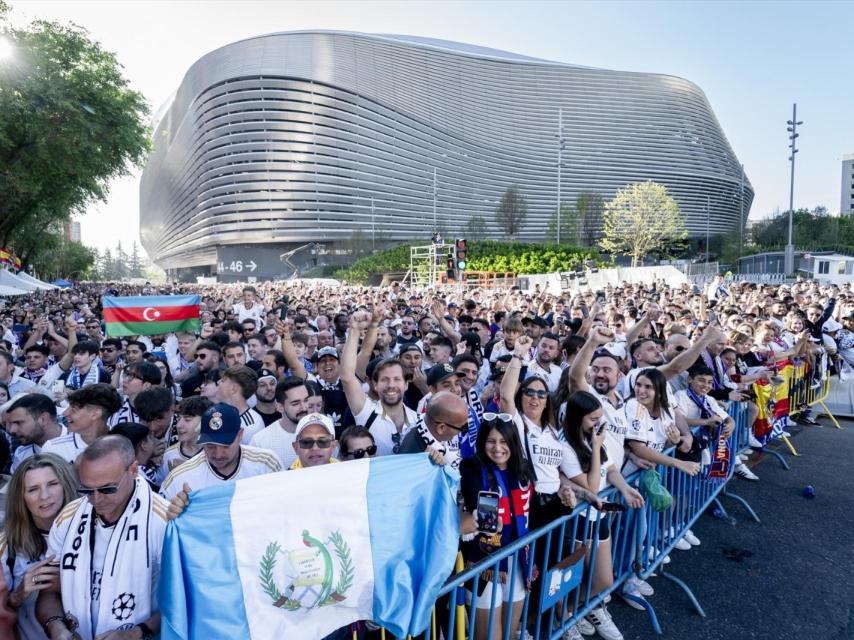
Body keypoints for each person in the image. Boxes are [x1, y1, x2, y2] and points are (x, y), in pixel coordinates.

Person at [37, 436, 169, 640]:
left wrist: (137, 633)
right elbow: (48, 591)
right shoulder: (69, 517)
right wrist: (56, 627)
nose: (96, 499)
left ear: (133, 470)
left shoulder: (164, 521)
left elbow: (184, 599)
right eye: (87, 490)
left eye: (107, 489)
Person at [562, 391, 645, 638]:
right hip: (578, 520)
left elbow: (611, 471)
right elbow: (591, 486)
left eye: (599, 417)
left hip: (600, 516)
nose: (598, 423)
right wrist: (597, 447)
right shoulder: (565, 444)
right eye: (592, 419)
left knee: (604, 580)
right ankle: (565, 618)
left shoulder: (594, 437)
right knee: (572, 578)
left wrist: (625, 488)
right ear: (578, 418)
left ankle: (578, 609)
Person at [458, 414, 534, 640]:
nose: (498, 448)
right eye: (491, 441)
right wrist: (484, 518)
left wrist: (563, 502)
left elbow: (534, 513)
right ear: (482, 442)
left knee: (509, 634)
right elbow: (474, 499)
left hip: (519, 558)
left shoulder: (523, 468)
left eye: (503, 441)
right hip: (485, 560)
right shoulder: (472, 467)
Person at [1, 454, 78, 640]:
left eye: (52, 484)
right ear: (21, 497)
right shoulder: (7, 546)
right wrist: (17, 596)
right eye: (33, 489)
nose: (45, 496)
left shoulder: (93, 532)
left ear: (66, 485)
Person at [160, 403, 281, 500]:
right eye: (210, 446)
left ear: (240, 435)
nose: (218, 454)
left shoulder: (266, 464)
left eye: (226, 445)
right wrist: (173, 513)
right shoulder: (179, 478)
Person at [341, 312, 416, 455]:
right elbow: (347, 377)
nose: (391, 385)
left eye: (397, 379)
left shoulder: (418, 420)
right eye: (384, 379)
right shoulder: (366, 411)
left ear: (406, 384)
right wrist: (355, 331)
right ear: (375, 385)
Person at [42, 384, 122, 465]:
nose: (65, 413)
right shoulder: (54, 449)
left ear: (95, 414)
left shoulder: (123, 445)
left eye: (73, 409)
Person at [397, 391, 469, 471]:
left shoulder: (423, 428)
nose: (464, 431)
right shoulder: (419, 459)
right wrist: (444, 467)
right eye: (463, 428)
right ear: (441, 428)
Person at [250, 378, 310, 469]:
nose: (304, 408)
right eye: (295, 403)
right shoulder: (260, 442)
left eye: (306, 400)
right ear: (280, 407)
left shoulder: (324, 431)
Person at [4, 394, 66, 473]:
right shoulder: (21, 454)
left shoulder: (82, 442)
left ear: (43, 419)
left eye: (18, 423)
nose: (11, 430)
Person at [160, 396, 210, 476]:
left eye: (187, 420)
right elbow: (161, 486)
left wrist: (184, 471)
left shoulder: (215, 453)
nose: (179, 425)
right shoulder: (170, 455)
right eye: (179, 419)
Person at [217, 365, 266, 443]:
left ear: (233, 388)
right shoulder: (216, 412)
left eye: (223, 380)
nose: (218, 382)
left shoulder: (251, 425)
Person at [109, 361, 161, 427]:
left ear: (146, 385)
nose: (125, 380)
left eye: (132, 377)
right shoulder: (116, 404)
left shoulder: (158, 413)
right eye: (126, 375)